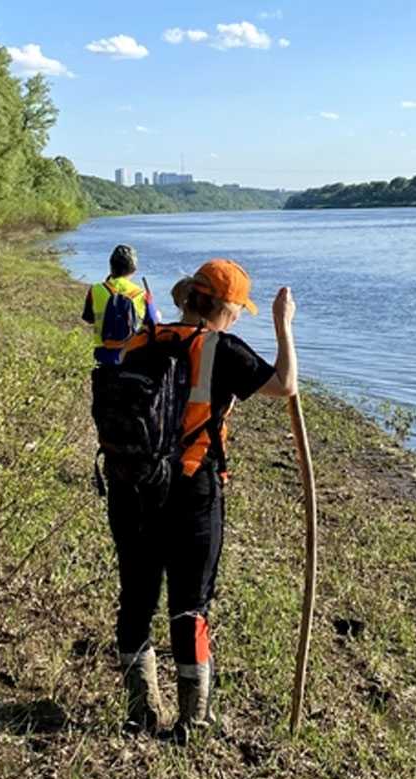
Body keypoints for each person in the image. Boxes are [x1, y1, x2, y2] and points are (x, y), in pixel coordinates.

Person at [104, 258, 297, 742]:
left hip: (132, 488)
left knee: (136, 601)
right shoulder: (220, 347)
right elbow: (285, 385)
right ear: (224, 307)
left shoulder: (140, 341)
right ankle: (192, 722)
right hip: (192, 491)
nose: (237, 318)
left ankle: (141, 711)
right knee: (189, 607)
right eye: (238, 310)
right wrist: (283, 326)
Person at [82, 244, 158, 365]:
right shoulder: (142, 294)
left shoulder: (95, 290)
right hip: (131, 354)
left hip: (102, 353)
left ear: (111, 267)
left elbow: (89, 318)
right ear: (134, 270)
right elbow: (154, 323)